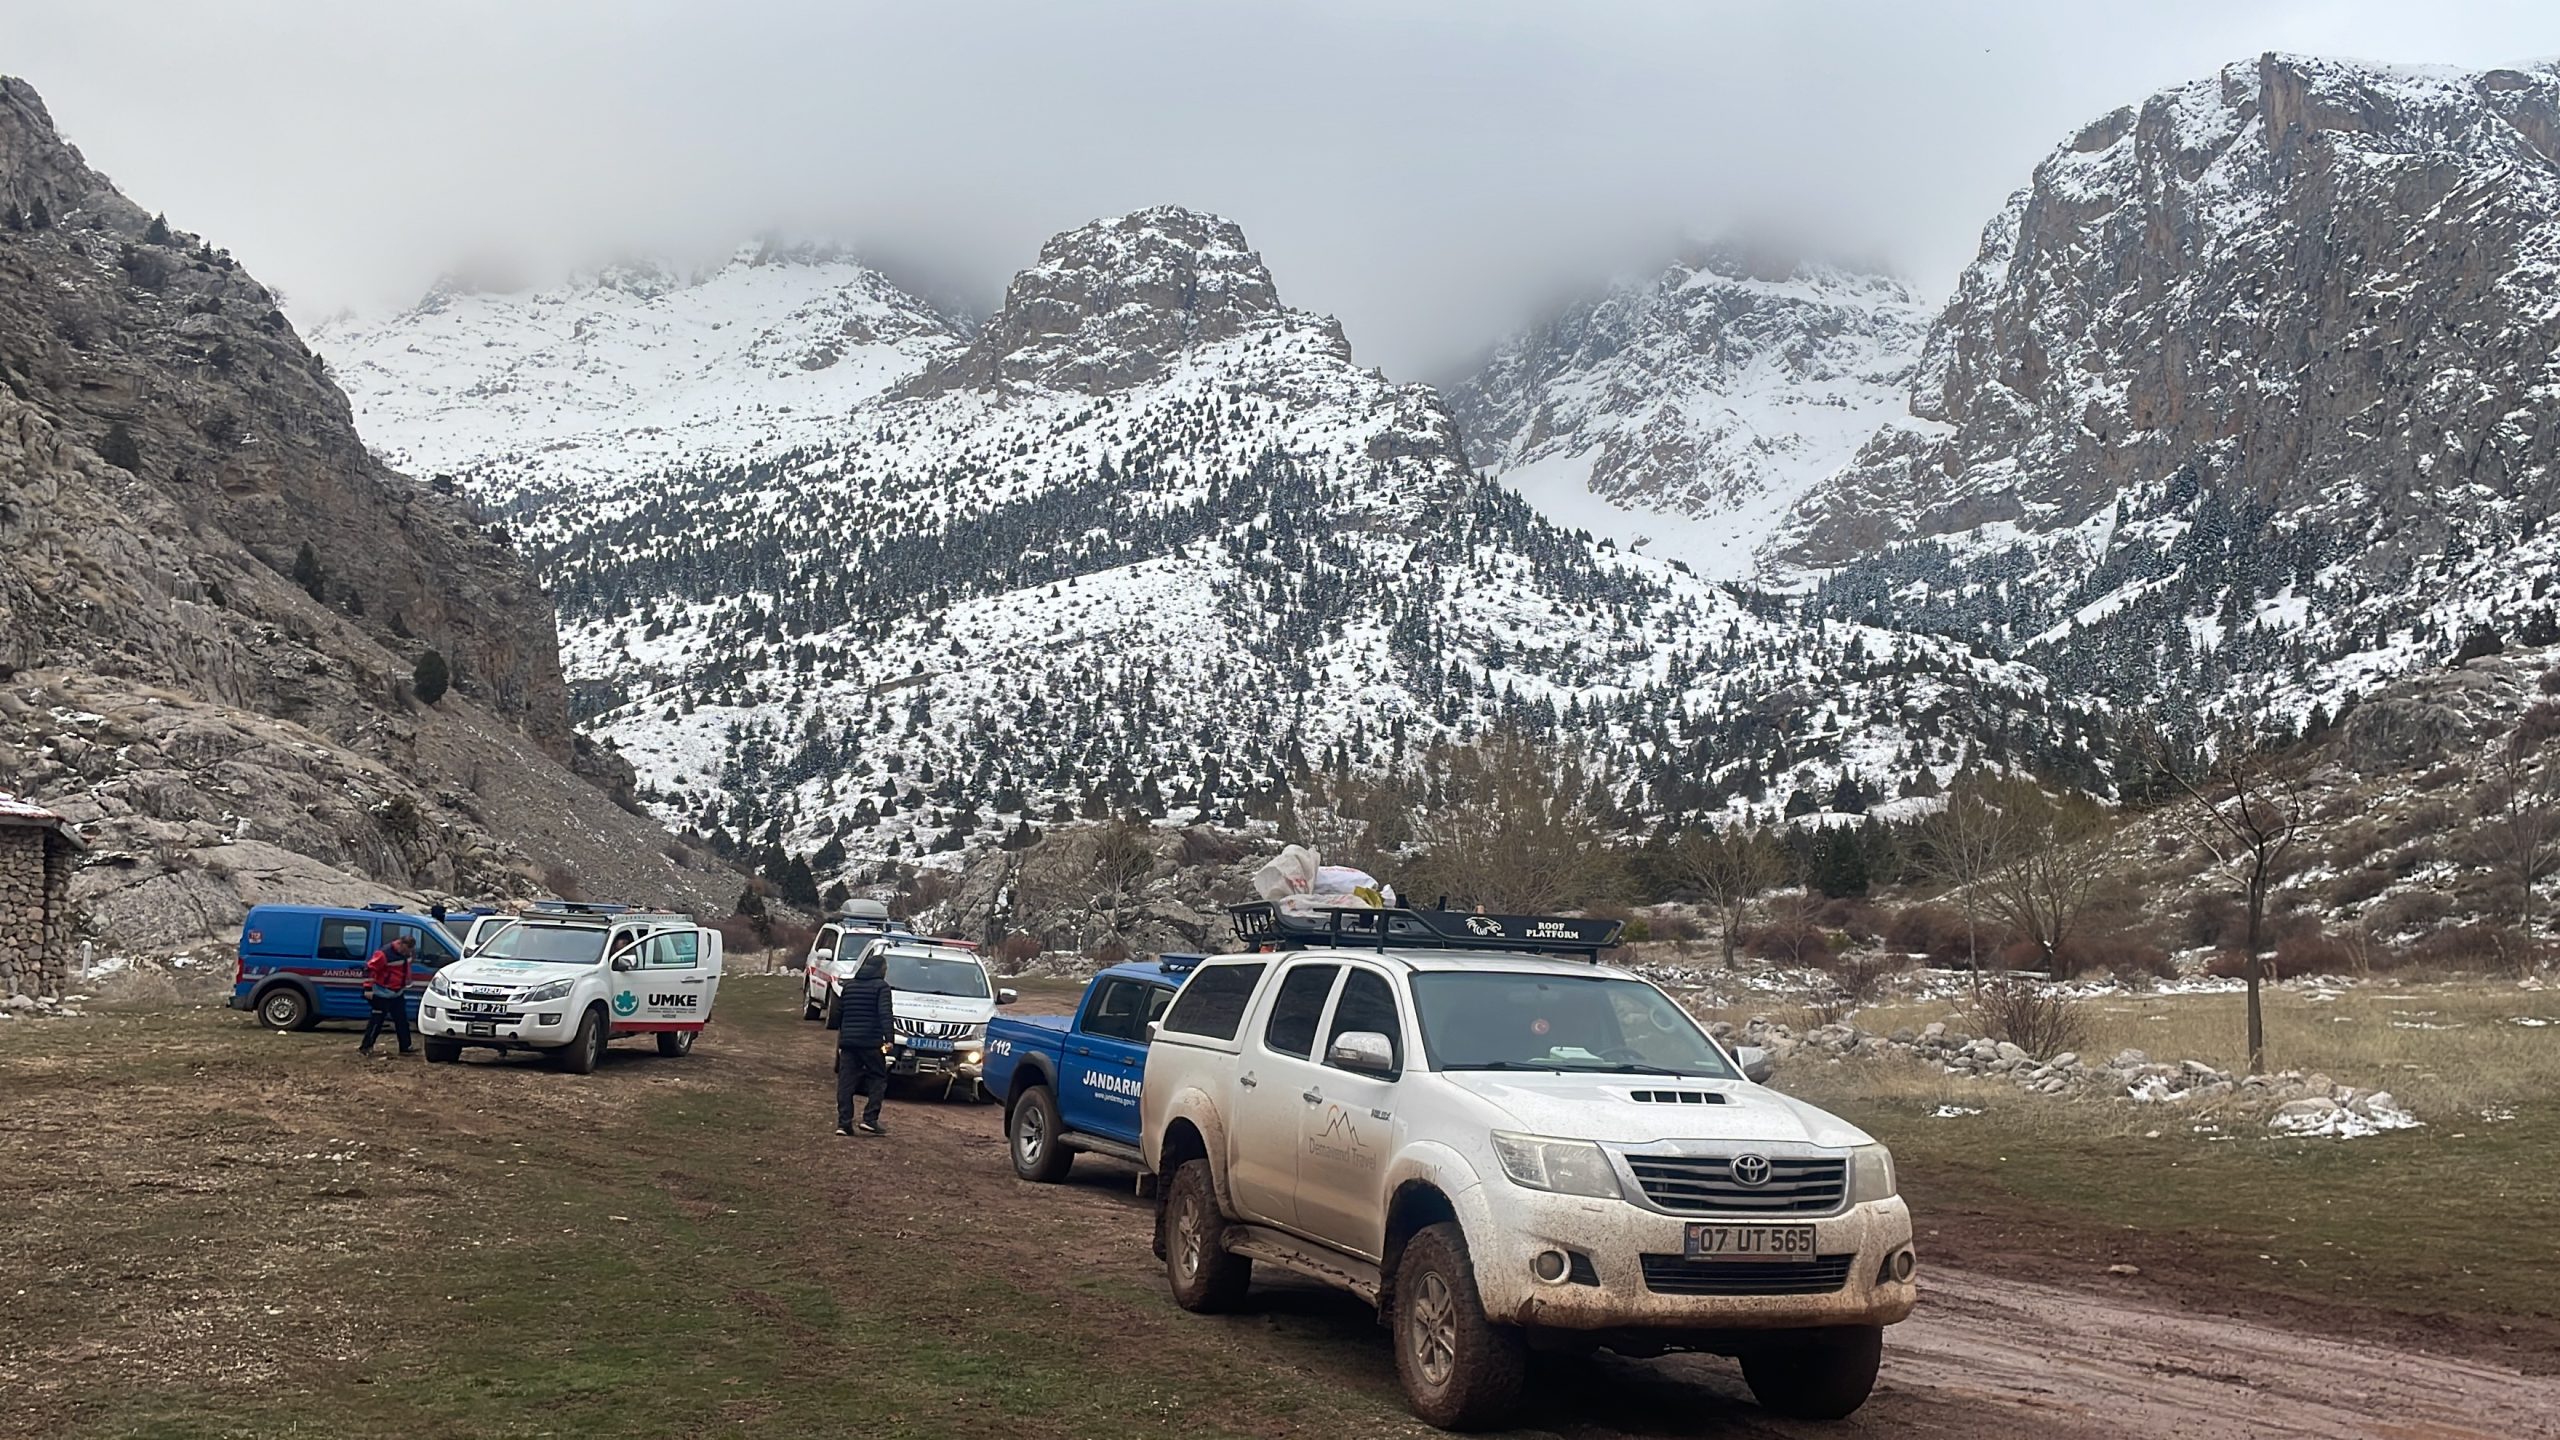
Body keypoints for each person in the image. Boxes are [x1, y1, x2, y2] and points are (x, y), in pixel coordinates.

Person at [827, 951, 895, 1135]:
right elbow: (885, 1014)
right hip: (871, 1042)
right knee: (878, 1077)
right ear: (881, 969)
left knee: (846, 1082)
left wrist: (843, 1036)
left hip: (848, 1042)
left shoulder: (849, 986)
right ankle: (870, 1119)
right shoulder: (882, 987)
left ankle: (843, 1123)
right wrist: (889, 1039)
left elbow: (838, 1015)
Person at [359, 933, 418, 1057]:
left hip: (397, 992)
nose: (406, 953)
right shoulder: (383, 954)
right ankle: (366, 1047)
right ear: (401, 944)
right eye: (405, 950)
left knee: (402, 1021)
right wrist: (368, 988)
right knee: (377, 1021)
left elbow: (407, 965)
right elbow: (370, 970)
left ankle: (405, 1046)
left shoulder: (407, 953)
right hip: (382, 992)